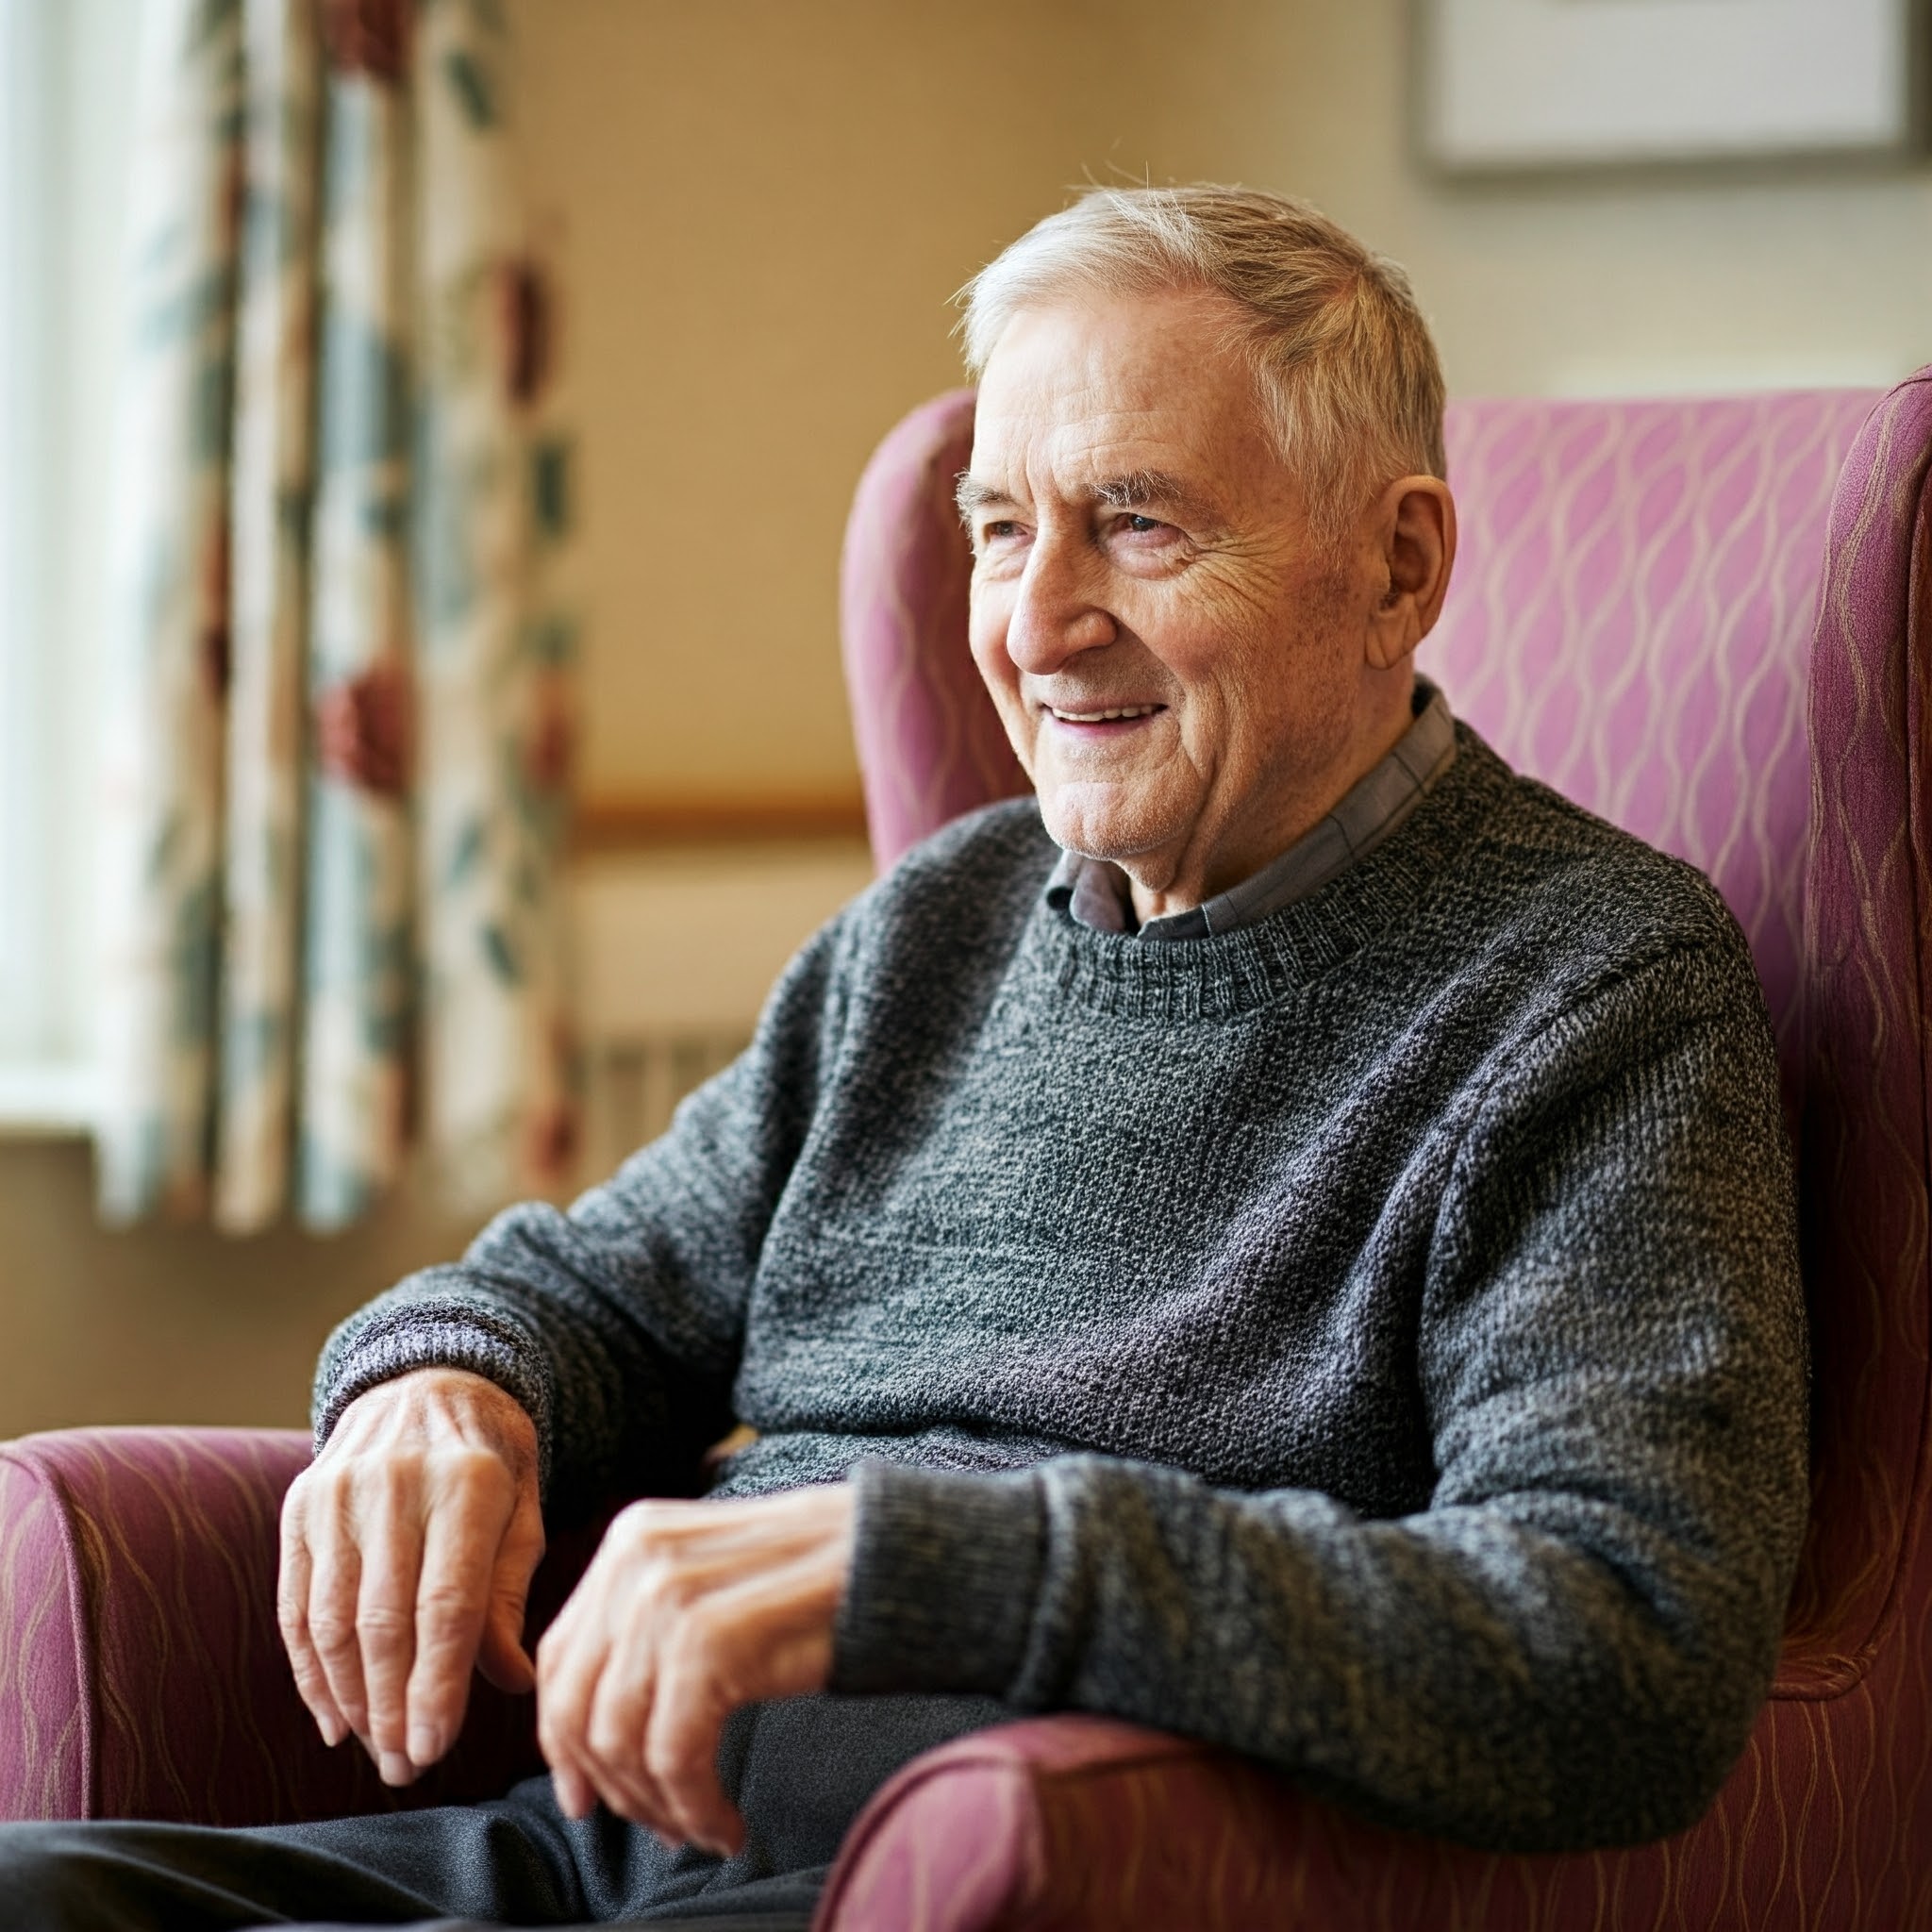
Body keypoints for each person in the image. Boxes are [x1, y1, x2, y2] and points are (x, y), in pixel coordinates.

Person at [0, 184, 1807, 1930]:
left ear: (1397, 564)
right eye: (1003, 526)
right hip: (588, 1849)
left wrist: (935, 1563)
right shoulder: (947, 918)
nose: (1033, 625)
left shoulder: (1588, 986)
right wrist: (444, 1383)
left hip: (1015, 1889)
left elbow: (1620, 1640)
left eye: (1142, 523)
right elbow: (604, 1290)